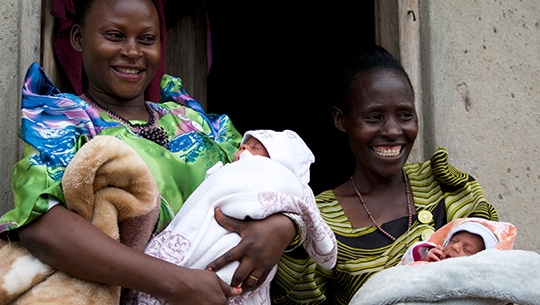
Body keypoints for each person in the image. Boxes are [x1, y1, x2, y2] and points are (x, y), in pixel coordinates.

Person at [0, 0, 303, 304]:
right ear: (78, 38)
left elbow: (269, 180)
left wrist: (284, 225)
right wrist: (175, 283)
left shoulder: (198, 123)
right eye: (115, 36)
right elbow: (44, 227)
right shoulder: (64, 122)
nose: (133, 52)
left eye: (147, 39)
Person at [270, 45, 499, 305]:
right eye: (374, 117)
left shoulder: (446, 186)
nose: (392, 130)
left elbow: (497, 273)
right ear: (341, 120)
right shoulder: (319, 221)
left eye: (404, 115)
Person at [132, 129, 337, 304]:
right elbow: (209, 198)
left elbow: (306, 210)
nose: (244, 149)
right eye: (242, 146)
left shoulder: (281, 177)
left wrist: (289, 224)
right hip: (171, 270)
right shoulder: (225, 172)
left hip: (242, 261)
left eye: (256, 148)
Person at [399, 217, 516, 265]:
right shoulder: (430, 262)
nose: (455, 247)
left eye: (467, 250)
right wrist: (424, 261)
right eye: (453, 241)